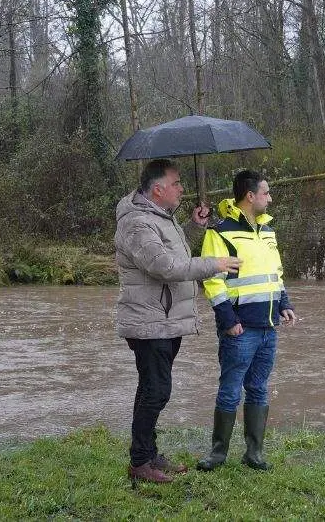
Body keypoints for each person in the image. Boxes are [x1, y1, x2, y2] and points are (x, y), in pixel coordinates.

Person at [115, 158, 242, 483]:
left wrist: (190, 226)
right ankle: (140, 462)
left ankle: (148, 455)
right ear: (158, 190)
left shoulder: (159, 218)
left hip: (165, 319)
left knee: (152, 389)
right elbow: (165, 265)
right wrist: (215, 263)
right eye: (176, 183)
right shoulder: (136, 223)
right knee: (156, 391)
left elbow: (171, 251)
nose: (182, 188)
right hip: (149, 321)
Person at [197, 169, 297, 471]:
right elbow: (212, 281)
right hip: (240, 329)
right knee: (230, 390)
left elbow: (274, 274)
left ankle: (254, 454)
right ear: (250, 196)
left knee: (259, 388)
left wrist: (284, 304)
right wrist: (228, 320)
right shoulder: (220, 232)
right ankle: (218, 454)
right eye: (265, 192)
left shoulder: (268, 231)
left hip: (269, 327)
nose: (270, 197)